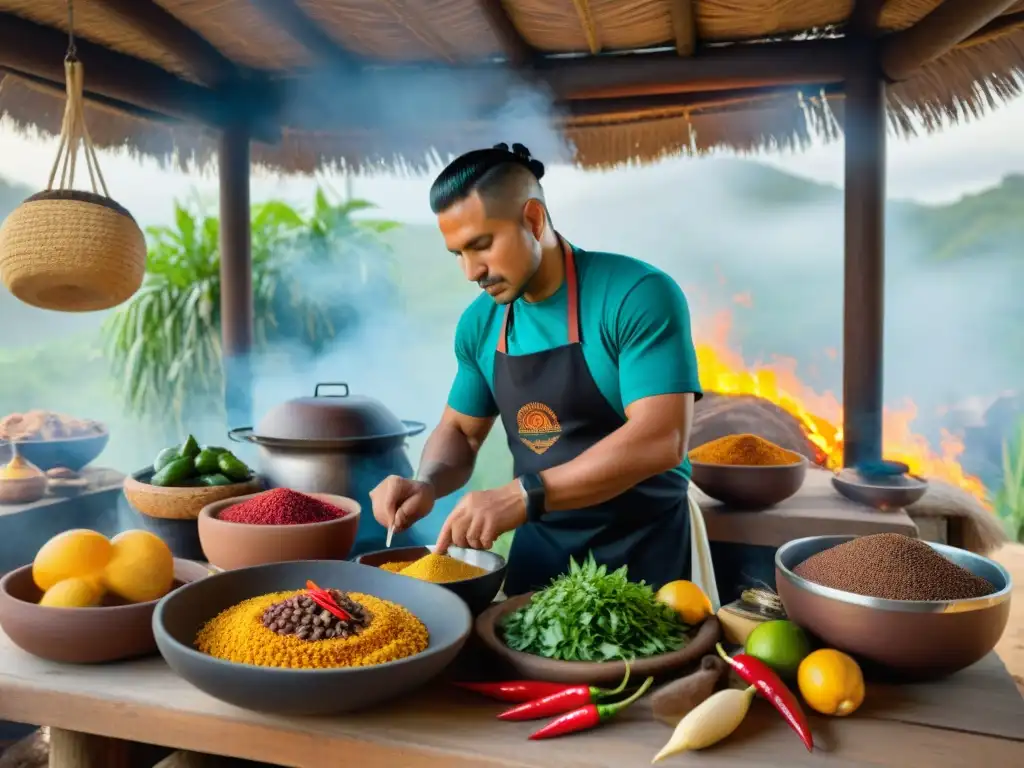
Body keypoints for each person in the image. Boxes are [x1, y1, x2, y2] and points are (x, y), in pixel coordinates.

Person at [370, 142, 709, 596]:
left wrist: (522, 494)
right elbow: (462, 432)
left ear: (533, 219)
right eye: (458, 254)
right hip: (542, 552)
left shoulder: (636, 294)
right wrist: (426, 482)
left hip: (647, 551)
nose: (471, 271)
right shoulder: (480, 323)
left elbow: (661, 438)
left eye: (481, 245)